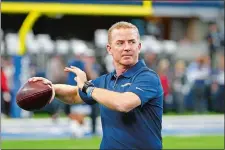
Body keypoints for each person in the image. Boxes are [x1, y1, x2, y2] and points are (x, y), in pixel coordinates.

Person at [29, 21, 164, 149]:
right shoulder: (106, 80)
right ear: (109, 49)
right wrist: (49, 87)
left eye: (132, 42)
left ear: (139, 47)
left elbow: (124, 103)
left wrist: (87, 87)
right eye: (120, 43)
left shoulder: (147, 77)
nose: (127, 47)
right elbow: (74, 94)